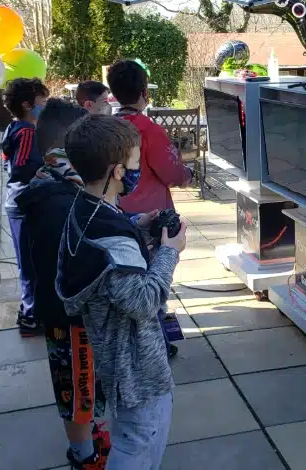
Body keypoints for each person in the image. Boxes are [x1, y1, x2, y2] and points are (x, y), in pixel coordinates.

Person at [56, 114, 186, 469]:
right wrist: (170, 251)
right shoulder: (112, 238)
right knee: (139, 443)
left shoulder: (84, 209)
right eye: (134, 163)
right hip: (138, 373)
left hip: (115, 359)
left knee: (134, 437)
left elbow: (108, 261)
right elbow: (144, 301)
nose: (136, 170)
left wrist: (135, 226)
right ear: (117, 172)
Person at [15, 98, 112, 469]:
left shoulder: (59, 186)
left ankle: (88, 438)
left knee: (84, 384)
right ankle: (83, 455)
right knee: (77, 387)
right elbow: (77, 256)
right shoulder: (59, 200)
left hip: (71, 310)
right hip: (69, 315)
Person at [106, 59, 193, 214]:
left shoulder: (105, 128)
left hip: (114, 211)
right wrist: (188, 174)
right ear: (144, 93)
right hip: (150, 215)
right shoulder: (149, 131)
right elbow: (173, 173)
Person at [1, 78, 49, 337]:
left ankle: (31, 310)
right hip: (25, 204)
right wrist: (42, 172)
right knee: (31, 264)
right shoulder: (28, 132)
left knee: (28, 262)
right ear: (27, 105)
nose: (45, 106)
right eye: (42, 102)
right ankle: (30, 316)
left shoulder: (12, 127)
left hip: (17, 202)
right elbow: (21, 167)